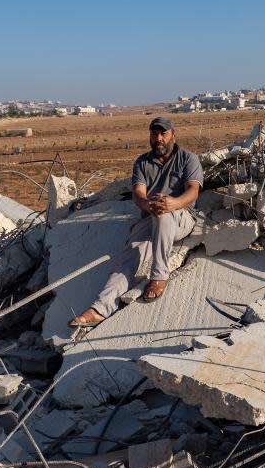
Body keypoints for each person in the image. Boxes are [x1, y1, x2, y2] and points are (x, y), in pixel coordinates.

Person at [69, 117, 203, 327]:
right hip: (151, 216)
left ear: (173, 136)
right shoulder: (142, 162)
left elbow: (193, 191)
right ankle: (100, 308)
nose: (158, 138)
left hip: (181, 217)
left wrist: (173, 203)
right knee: (130, 255)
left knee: (163, 212)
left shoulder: (188, 158)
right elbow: (138, 194)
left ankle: (159, 275)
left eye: (163, 134)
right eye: (154, 134)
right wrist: (148, 205)